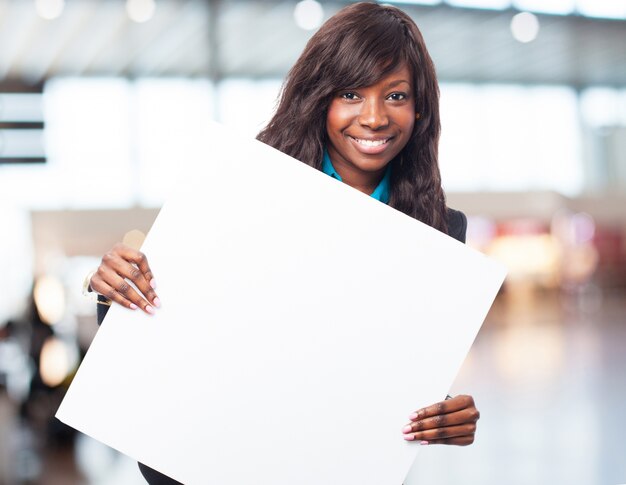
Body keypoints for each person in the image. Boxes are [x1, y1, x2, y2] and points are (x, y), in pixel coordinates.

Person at [87, 2, 480, 483]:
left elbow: (386, 380)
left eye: (396, 96)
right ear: (320, 97)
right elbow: (161, 323)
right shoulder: (240, 187)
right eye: (352, 93)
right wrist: (114, 288)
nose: (375, 117)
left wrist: (446, 417)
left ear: (420, 109)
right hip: (210, 459)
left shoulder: (439, 231)